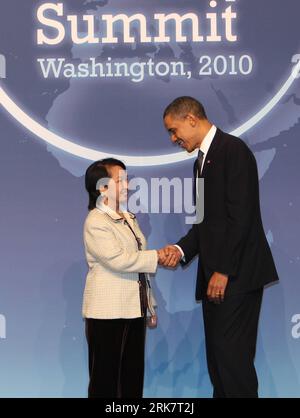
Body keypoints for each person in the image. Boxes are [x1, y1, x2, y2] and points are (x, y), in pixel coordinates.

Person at [161, 96, 279, 398]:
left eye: (174, 131)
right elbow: (205, 223)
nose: (173, 139)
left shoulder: (233, 151)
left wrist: (223, 270)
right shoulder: (200, 162)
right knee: (219, 364)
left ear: (191, 118)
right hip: (217, 280)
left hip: (235, 278)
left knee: (233, 365)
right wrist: (180, 249)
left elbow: (242, 217)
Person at [82, 158, 167, 398]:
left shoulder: (129, 217)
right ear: (102, 187)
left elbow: (138, 265)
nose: (127, 185)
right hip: (107, 312)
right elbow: (118, 259)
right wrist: (158, 256)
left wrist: (149, 306)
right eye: (121, 180)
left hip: (133, 309)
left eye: (127, 179)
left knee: (132, 378)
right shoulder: (96, 221)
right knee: (105, 381)